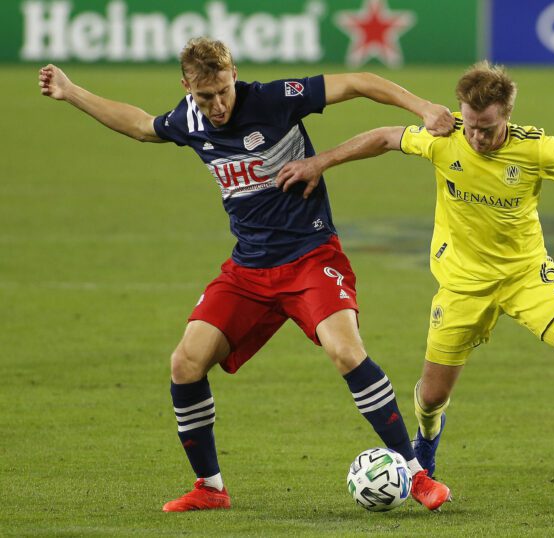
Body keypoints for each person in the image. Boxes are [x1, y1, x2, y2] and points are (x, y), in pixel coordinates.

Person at [38, 37, 455, 512]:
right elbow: (139, 125)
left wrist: (422, 106)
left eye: (222, 91)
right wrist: (71, 91)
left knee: (346, 350)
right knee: (185, 364)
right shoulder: (189, 119)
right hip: (248, 268)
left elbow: (359, 81)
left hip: (311, 257)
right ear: (186, 88)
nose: (216, 106)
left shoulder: (275, 99)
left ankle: (416, 474)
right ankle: (211, 488)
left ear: (234, 74)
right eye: (204, 96)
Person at [276, 61, 554, 509]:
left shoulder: (538, 149)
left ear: (507, 116)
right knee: (431, 395)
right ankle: (426, 441)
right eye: (471, 125)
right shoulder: (445, 137)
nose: (477, 138)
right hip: (461, 286)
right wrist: (319, 161)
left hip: (528, 278)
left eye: (487, 128)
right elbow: (386, 137)